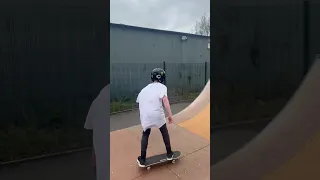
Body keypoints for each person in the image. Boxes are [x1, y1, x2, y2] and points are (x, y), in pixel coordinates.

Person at [136, 68, 174, 167]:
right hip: (157, 114)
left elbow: (139, 103)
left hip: (145, 115)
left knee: (145, 134)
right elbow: (165, 101)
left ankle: (142, 159)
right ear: (162, 78)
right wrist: (170, 115)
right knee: (164, 131)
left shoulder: (144, 89)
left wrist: (142, 117)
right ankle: (169, 153)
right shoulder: (162, 87)